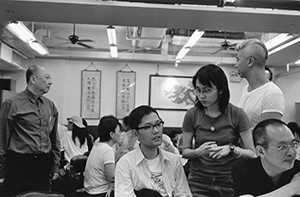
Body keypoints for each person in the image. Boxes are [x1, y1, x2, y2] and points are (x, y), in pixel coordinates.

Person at [182, 64, 255, 197]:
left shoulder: (237, 114)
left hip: (229, 180)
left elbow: (252, 153)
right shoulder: (192, 114)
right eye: (198, 90)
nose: (201, 96)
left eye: (207, 90)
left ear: (221, 90)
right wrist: (198, 152)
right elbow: (185, 152)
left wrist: (232, 149)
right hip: (198, 180)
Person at [0, 65, 61, 196]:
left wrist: (55, 166)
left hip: (42, 164)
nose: (50, 81)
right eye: (47, 77)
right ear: (33, 79)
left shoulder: (50, 106)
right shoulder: (12, 103)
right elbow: (1, 139)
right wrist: (1, 171)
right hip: (19, 164)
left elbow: (54, 139)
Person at [115, 105, 192, 197]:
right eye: (148, 127)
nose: (156, 130)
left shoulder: (174, 161)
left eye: (158, 124)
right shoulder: (126, 163)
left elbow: (183, 193)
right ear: (135, 134)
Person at [232, 119, 300, 197]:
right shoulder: (244, 168)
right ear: (261, 151)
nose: (291, 153)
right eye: (282, 147)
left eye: (293, 144)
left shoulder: (297, 169)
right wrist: (292, 188)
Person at [235, 38, 285, 128]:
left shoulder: (272, 93)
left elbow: (267, 135)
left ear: (250, 61)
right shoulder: (245, 90)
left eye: (238, 60)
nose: (236, 65)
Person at [84, 115, 122, 197]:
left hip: (91, 190)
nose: (120, 134)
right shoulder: (107, 150)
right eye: (119, 131)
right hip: (100, 192)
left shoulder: (98, 145)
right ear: (112, 134)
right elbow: (111, 177)